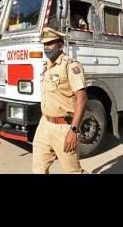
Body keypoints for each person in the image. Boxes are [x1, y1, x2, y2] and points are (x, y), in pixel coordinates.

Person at [32, 27, 88, 174]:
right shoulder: (46, 67)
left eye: (50, 44)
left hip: (63, 128)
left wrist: (73, 130)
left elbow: (82, 98)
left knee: (73, 172)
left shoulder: (71, 66)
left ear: (61, 46)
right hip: (44, 125)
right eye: (44, 44)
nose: (46, 48)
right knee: (38, 169)